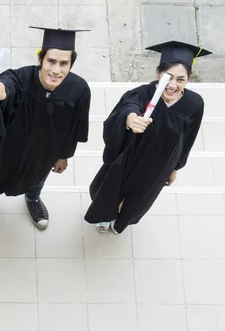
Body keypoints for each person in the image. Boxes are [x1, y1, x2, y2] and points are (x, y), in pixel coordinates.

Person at [84, 41, 212, 234]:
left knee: (140, 198)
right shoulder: (142, 93)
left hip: (160, 165)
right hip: (130, 158)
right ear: (157, 73)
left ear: (188, 79)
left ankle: (121, 221)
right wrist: (130, 119)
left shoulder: (194, 103)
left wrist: (175, 167)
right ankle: (105, 215)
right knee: (113, 190)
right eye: (167, 77)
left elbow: (188, 139)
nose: (172, 85)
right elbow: (127, 108)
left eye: (180, 79)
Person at [0, 27, 91, 230]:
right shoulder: (22, 77)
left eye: (64, 64)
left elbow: (75, 127)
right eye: (51, 61)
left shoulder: (79, 90)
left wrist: (64, 156)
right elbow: (6, 86)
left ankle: (33, 199)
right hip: (10, 144)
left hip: (47, 149)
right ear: (40, 60)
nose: (56, 70)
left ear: (71, 65)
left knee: (38, 176)